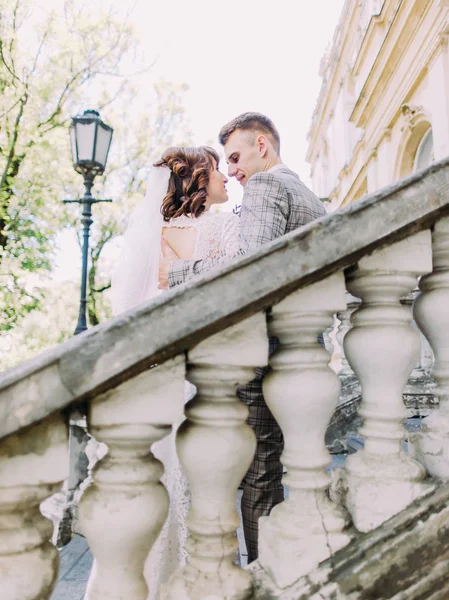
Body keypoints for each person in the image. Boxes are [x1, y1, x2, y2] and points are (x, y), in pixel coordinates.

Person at [161, 112, 327, 563]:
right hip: (304, 351)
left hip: (264, 351)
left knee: (258, 474)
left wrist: (177, 273)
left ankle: (261, 573)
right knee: (285, 467)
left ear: (262, 145)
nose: (232, 170)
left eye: (235, 158)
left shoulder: (267, 186)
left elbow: (248, 269)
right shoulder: (308, 195)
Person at [109, 146, 239, 599]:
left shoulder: (149, 236)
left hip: (153, 376)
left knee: (156, 475)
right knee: (200, 477)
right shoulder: (222, 230)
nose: (226, 177)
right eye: (218, 170)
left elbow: (126, 311)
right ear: (200, 181)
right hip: (199, 371)